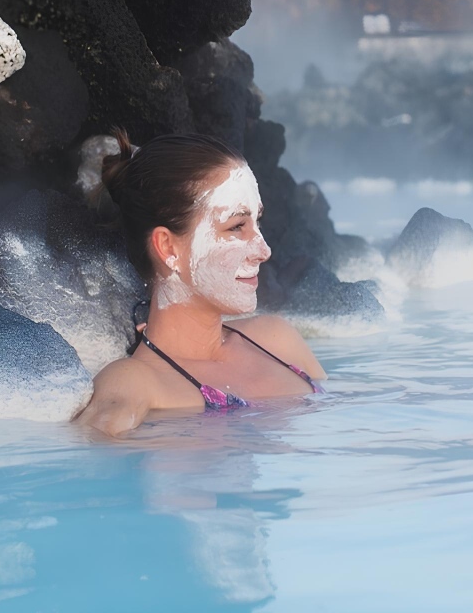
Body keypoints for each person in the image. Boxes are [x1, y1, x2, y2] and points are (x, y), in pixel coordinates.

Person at [75, 130, 326, 437]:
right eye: (236, 227)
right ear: (168, 248)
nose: (264, 250)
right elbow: (84, 462)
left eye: (257, 223)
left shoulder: (278, 340)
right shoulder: (135, 383)